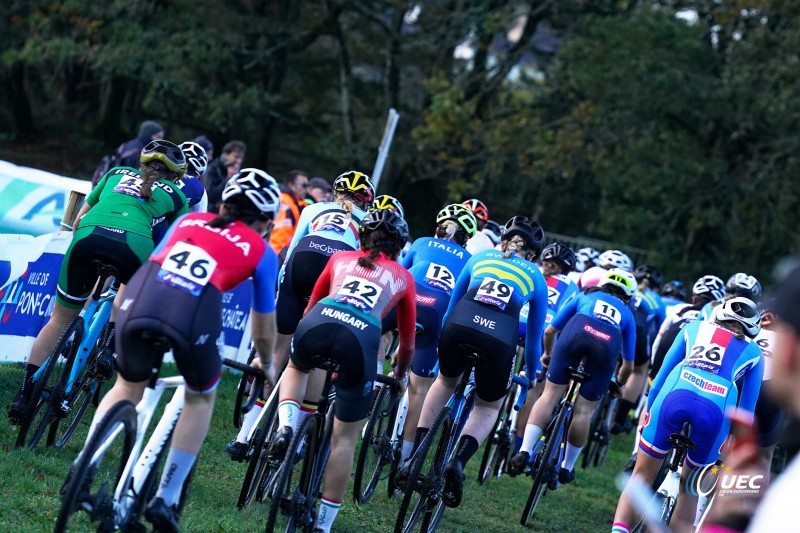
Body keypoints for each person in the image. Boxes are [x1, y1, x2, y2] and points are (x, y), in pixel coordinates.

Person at [70, 169, 282, 533]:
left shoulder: (189, 220)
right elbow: (263, 327)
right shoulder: (262, 250)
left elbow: (155, 261)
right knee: (201, 395)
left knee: (126, 385)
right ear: (264, 221)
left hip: (141, 297)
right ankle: (165, 499)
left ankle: (82, 467)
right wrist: (265, 361)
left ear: (224, 202)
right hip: (192, 313)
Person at [8, 140, 189, 423]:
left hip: (88, 237)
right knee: (131, 288)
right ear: (176, 176)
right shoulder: (178, 195)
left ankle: (23, 393)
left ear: (140, 163)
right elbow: (176, 243)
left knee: (57, 320)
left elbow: (79, 221)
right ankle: (109, 349)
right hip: (134, 244)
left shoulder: (115, 173)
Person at [272, 209, 415, 533]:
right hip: (359, 341)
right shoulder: (403, 277)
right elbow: (406, 344)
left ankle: (286, 426)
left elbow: (309, 309)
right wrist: (400, 375)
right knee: (344, 440)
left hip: (318, 324)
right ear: (399, 248)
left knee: (297, 366)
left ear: (362, 237)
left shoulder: (340, 259)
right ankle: (322, 525)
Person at [400, 216, 549, 508]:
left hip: (459, 326)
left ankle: (415, 456)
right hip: (500, 339)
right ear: (533, 253)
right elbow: (533, 341)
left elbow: (450, 310)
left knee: (444, 381)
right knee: (488, 404)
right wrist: (532, 376)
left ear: (504, 240)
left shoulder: (482, 257)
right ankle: (458, 461)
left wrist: (441, 353)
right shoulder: (535, 276)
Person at [613, 297, 764, 533]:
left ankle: (619, 529)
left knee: (640, 478)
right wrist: (732, 446)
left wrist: (648, 413)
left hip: (674, 396)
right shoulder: (754, 351)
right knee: (690, 492)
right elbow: (746, 411)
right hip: (715, 410)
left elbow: (660, 378)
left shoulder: (693, 327)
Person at [510, 268, 637, 484]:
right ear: (629, 296)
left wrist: (548, 355)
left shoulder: (585, 295)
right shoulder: (627, 314)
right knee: (583, 412)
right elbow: (628, 365)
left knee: (549, 397)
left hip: (574, 338)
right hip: (605, 351)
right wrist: (618, 383)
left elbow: (549, 331)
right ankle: (567, 467)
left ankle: (524, 450)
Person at [396, 204, 477, 468]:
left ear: (438, 229)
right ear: (466, 239)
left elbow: (400, 274)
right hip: (437, 312)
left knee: (376, 342)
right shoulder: (471, 260)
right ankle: (405, 458)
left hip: (407, 302)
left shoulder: (421, 242)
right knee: (420, 389)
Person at [151, 141, 208, 244]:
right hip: (162, 238)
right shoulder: (198, 187)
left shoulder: (155, 170)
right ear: (197, 174)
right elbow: (198, 225)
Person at [268, 170, 310, 257]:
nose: (307, 189)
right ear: (291, 185)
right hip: (280, 255)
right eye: (304, 185)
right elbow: (280, 236)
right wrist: (278, 259)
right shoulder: (285, 202)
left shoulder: (295, 203)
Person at [201, 140, 246, 214]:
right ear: (226, 154)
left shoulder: (237, 173)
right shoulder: (211, 170)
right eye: (236, 157)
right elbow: (208, 195)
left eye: (241, 158)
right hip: (210, 214)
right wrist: (228, 179)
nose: (239, 161)